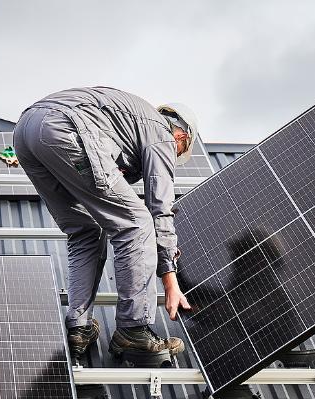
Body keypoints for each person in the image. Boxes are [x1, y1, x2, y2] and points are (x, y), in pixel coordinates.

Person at [13, 87, 195, 359]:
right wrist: (170, 278)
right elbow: (160, 208)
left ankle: (79, 326)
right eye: (178, 152)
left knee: (85, 229)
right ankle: (134, 330)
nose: (173, 157)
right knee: (136, 223)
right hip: (66, 127)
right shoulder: (162, 133)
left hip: (26, 130)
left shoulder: (129, 120)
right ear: (182, 135)